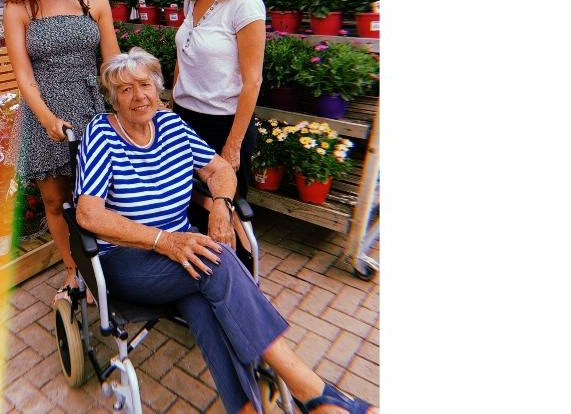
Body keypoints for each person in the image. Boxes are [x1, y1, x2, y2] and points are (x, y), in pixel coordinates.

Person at [75, 48, 376, 414]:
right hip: (129, 259)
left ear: (158, 88)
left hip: (183, 251)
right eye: (125, 90)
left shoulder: (170, 125)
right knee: (217, 263)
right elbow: (89, 215)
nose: (138, 96)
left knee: (203, 298)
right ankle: (311, 389)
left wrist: (221, 204)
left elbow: (221, 170)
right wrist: (164, 241)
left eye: (144, 85)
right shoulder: (101, 132)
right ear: (113, 98)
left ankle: (249, 407)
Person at [4, 0, 120, 302]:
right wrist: (48, 118)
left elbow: (112, 63)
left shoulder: (94, 1)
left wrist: (131, 103)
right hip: (45, 115)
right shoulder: (19, 7)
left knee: (100, 198)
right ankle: (74, 272)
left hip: (91, 110)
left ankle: (106, 264)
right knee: (56, 201)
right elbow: (23, 75)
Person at [171, 0, 265, 199]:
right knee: (190, 209)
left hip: (224, 125)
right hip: (186, 121)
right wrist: (173, 110)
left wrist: (232, 145)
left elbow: (253, 81)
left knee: (227, 216)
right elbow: (183, 57)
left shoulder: (244, 2)